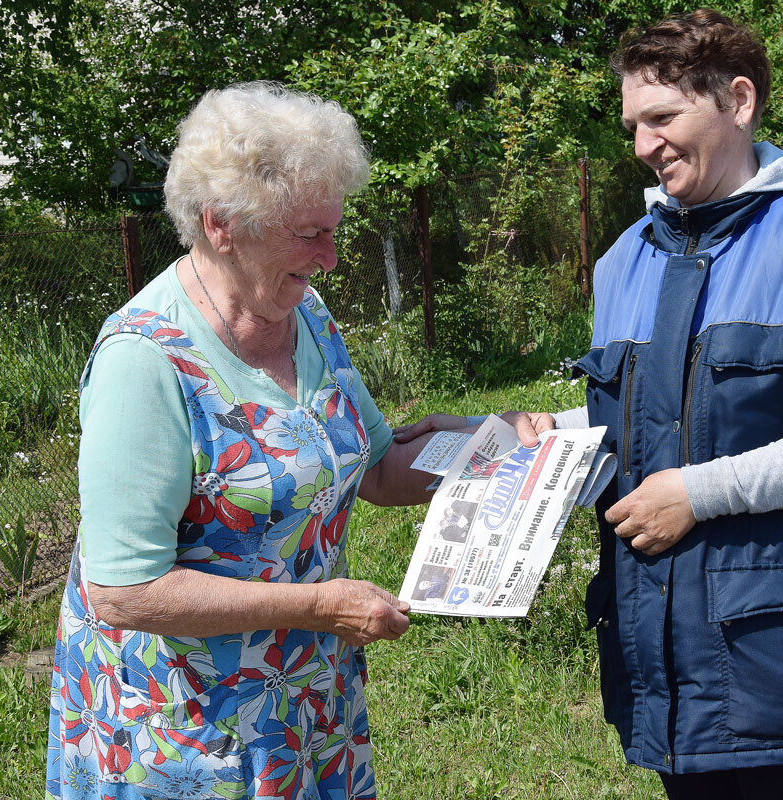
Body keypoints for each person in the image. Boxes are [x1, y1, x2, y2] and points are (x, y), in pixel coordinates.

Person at [401, 9, 783, 798]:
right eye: (633, 126)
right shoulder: (624, 260)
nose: (644, 146)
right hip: (671, 654)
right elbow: (639, 427)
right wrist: (504, 437)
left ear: (738, 101)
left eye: (663, 118)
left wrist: (699, 493)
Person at [46, 82, 541, 799]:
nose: (331, 257)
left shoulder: (305, 314)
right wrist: (317, 607)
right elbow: (124, 590)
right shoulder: (144, 360)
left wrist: (496, 449)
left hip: (305, 699)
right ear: (221, 224)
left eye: (332, 230)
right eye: (309, 234)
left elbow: (375, 468)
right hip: (184, 727)